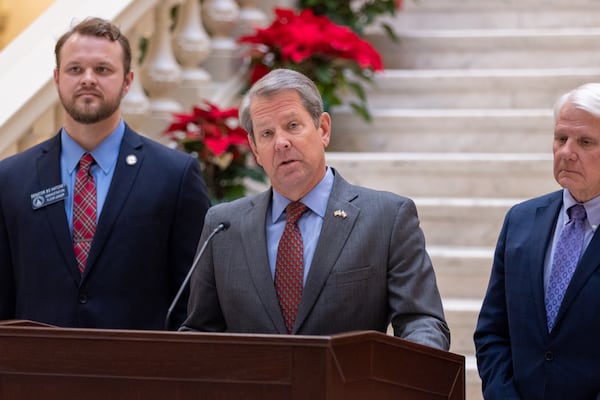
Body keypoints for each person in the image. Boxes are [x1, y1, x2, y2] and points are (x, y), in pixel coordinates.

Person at [180, 68, 450, 350]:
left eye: (293, 126)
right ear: (255, 149)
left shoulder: (387, 218)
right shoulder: (223, 226)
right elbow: (199, 333)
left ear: (323, 129)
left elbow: (422, 322)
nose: (281, 142)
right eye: (267, 133)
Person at [0, 17, 211, 330]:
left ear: (127, 81)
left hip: (139, 372)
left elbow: (195, 303)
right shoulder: (9, 178)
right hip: (39, 373)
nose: (88, 79)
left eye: (102, 69)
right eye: (75, 69)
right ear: (57, 79)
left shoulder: (175, 176)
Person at [474, 82, 600, 399]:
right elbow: (492, 332)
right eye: (561, 138)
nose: (567, 152)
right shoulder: (521, 220)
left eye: (585, 142)